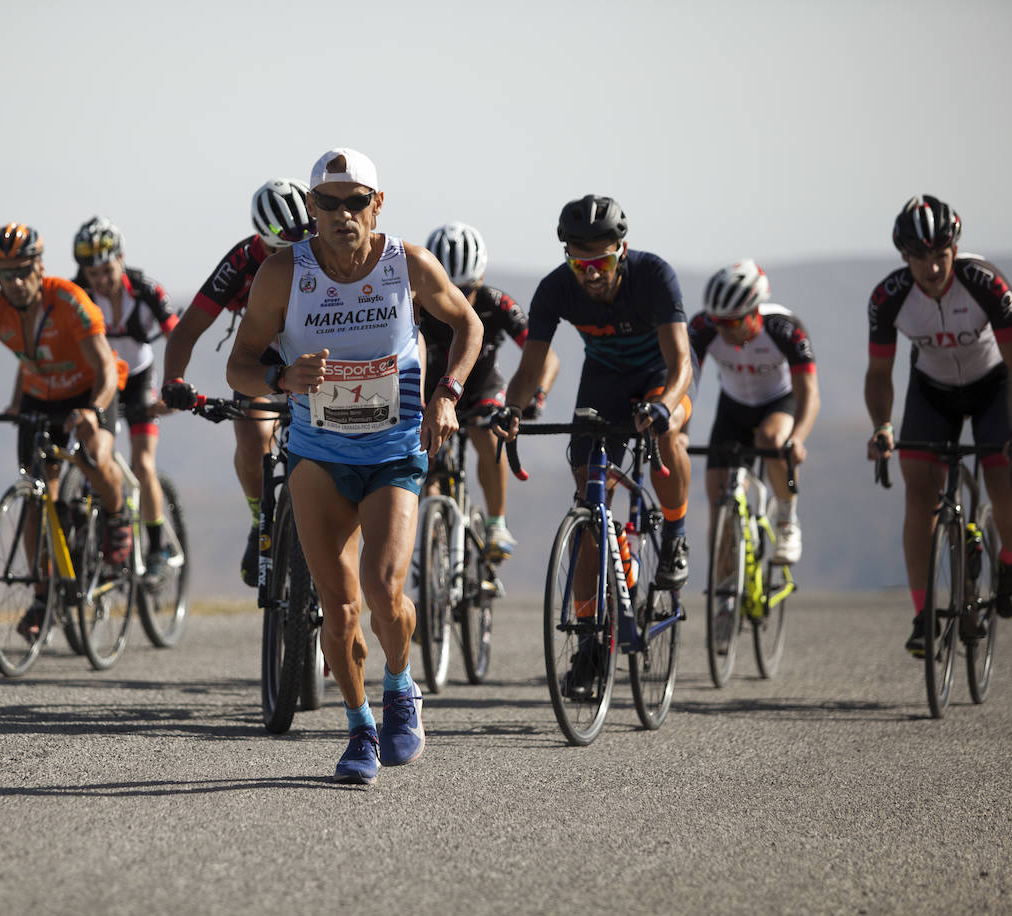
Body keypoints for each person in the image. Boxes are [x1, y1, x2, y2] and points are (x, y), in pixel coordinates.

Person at [226, 148, 481, 785]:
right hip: (318, 454)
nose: (343, 215)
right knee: (337, 612)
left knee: (384, 590)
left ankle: (401, 684)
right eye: (329, 204)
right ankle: (359, 725)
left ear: (378, 204)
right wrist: (282, 377)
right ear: (312, 209)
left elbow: (468, 324)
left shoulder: (407, 264)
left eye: (356, 202)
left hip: (394, 450)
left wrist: (447, 393)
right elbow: (239, 365)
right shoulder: (285, 274)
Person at [495, 195, 697, 698]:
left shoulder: (654, 276)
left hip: (657, 379)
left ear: (621, 250)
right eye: (579, 262)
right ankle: (590, 642)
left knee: (669, 432)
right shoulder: (556, 288)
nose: (590, 273)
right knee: (590, 511)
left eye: (601, 262)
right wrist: (512, 410)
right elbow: (528, 370)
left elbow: (682, 365)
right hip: (602, 380)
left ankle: (674, 535)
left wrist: (665, 406)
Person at [0, 223, 131, 637]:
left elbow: (106, 367)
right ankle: (43, 596)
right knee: (36, 493)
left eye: (22, 270)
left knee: (94, 454)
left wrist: (92, 410)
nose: (14, 281)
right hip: (40, 396)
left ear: (40, 266)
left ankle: (118, 517)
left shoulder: (69, 300)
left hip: (92, 390)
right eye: (4, 273)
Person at [865, 194, 1012, 657]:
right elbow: (879, 374)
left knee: (1001, 475)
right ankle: (923, 615)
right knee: (919, 491)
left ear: (954, 249)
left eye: (941, 255)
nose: (932, 268)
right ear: (905, 256)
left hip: (994, 385)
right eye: (920, 257)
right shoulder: (888, 298)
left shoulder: (985, 282)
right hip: (932, 390)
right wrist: (883, 426)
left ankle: (1007, 560)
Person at [160, 178, 317, 586]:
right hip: (264, 355)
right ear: (262, 243)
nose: (294, 260)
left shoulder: (325, 251)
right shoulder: (242, 261)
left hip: (319, 352)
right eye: (281, 252)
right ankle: (260, 516)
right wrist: (173, 379)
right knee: (251, 438)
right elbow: (188, 327)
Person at [422, 221, 559, 561]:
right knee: (425, 452)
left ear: (480, 280)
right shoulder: (417, 302)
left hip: (482, 388)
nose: (455, 300)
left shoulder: (496, 303)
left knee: (488, 436)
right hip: (434, 390)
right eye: (445, 289)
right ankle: (430, 532)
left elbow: (546, 357)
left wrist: (535, 396)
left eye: (465, 289)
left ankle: (497, 523)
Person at [70, 216, 180, 584]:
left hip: (137, 382)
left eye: (106, 269)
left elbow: (177, 338)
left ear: (121, 258)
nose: (99, 279)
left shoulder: (147, 290)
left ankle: (157, 547)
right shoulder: (78, 292)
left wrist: (173, 387)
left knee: (143, 463)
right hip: (102, 383)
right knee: (91, 457)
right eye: (91, 272)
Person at [688, 259, 819, 565]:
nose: (723, 329)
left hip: (778, 403)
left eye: (732, 322)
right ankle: (723, 595)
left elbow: (809, 393)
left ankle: (787, 517)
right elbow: (687, 384)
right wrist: (680, 432)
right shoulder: (704, 328)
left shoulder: (785, 328)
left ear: (754, 311)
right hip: (733, 408)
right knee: (717, 502)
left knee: (772, 441)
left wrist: (798, 438)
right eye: (717, 321)